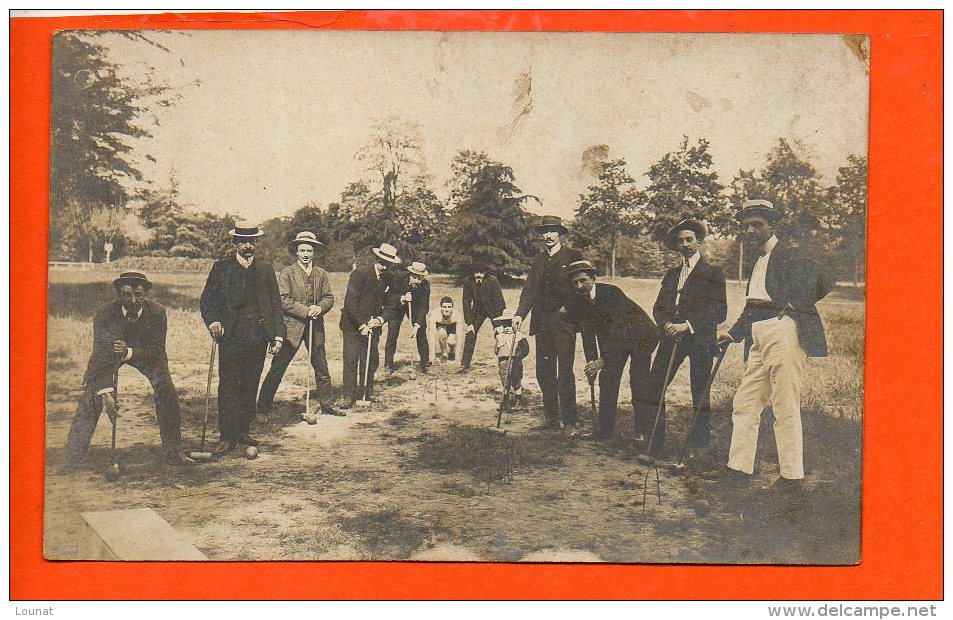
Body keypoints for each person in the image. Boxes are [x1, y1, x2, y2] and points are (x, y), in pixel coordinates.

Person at [711, 199, 834, 494]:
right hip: (757, 335)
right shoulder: (757, 262)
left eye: (757, 224)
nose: (751, 230)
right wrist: (733, 334)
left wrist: (794, 304)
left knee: (784, 404)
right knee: (745, 403)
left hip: (783, 332)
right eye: (746, 226)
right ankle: (738, 469)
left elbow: (826, 279)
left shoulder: (790, 255)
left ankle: (792, 478)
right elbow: (753, 305)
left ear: (771, 225)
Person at [64, 271, 192, 469]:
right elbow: (101, 356)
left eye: (138, 295)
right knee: (92, 394)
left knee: (167, 390)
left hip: (145, 354)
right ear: (119, 295)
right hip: (109, 355)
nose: (133, 300)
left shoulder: (158, 312)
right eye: (127, 295)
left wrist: (130, 352)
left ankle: (174, 452)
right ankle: (73, 457)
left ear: (146, 294)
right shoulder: (105, 314)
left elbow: (157, 350)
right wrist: (106, 393)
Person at [200, 223, 285, 455]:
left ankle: (243, 431)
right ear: (235, 244)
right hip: (231, 336)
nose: (248, 246)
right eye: (243, 241)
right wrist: (214, 322)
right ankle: (227, 436)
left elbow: (275, 305)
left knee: (250, 383)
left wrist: (277, 336)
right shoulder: (221, 268)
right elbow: (207, 301)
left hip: (258, 336)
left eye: (252, 241)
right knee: (229, 385)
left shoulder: (265, 269)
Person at [647, 218, 728, 453]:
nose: (684, 244)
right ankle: (655, 441)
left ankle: (699, 445)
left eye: (689, 239)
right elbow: (659, 307)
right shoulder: (672, 274)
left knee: (699, 390)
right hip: (671, 338)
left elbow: (719, 311)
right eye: (680, 241)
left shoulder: (713, 273)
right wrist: (667, 325)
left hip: (700, 340)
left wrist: (688, 325)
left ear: (699, 242)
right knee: (655, 384)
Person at [567, 261, 659, 441]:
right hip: (616, 343)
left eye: (583, 280)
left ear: (593, 279)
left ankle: (642, 432)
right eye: (575, 282)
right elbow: (587, 334)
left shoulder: (611, 293)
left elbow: (619, 330)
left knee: (638, 381)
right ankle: (604, 431)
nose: (579, 286)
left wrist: (604, 359)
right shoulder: (579, 300)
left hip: (641, 336)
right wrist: (592, 363)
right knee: (608, 379)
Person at [257, 231, 342, 418]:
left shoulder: (321, 274)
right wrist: (306, 310)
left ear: (314, 252)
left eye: (309, 250)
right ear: (296, 251)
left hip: (315, 327)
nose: (305, 254)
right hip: (291, 328)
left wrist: (319, 308)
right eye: (302, 250)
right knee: (278, 368)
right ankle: (262, 407)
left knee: (322, 367)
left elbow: (329, 298)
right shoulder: (287, 273)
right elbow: (283, 299)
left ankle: (327, 404)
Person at [513, 215, 583, 433]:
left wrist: (568, 308)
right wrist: (519, 315)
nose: (548, 235)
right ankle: (551, 417)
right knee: (544, 370)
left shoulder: (573, 256)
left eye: (552, 231)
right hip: (542, 322)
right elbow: (530, 289)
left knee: (565, 371)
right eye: (545, 232)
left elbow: (581, 287)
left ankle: (570, 421)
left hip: (563, 323)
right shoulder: (539, 260)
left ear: (560, 233)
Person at [338, 242, 403, 407]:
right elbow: (350, 305)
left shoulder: (390, 278)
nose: (384, 266)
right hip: (352, 325)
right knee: (351, 359)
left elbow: (392, 305)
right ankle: (348, 396)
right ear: (376, 259)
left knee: (370, 360)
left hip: (373, 326)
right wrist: (362, 326)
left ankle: (366, 392)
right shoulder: (359, 274)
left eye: (388, 264)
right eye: (382, 262)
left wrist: (380, 320)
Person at [384, 261, 431, 373]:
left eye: (420, 278)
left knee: (421, 333)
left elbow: (424, 306)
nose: (416, 281)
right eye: (414, 277)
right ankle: (388, 364)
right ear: (410, 274)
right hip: (397, 306)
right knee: (392, 333)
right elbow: (389, 296)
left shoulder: (425, 285)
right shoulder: (399, 277)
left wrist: (416, 325)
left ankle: (424, 364)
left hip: (415, 307)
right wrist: (402, 298)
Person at [458, 270, 505, 372]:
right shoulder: (468, 281)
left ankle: (505, 363)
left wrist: (499, 323)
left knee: (501, 335)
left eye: (481, 272)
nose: (478, 274)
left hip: (493, 310)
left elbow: (499, 301)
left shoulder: (493, 280)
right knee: (470, 333)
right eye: (476, 272)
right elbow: (466, 302)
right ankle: (464, 365)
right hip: (478, 311)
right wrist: (469, 322)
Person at [492, 309, 530, 412]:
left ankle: (517, 401)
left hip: (515, 362)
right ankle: (505, 402)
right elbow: (496, 350)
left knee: (516, 381)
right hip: (503, 363)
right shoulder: (500, 337)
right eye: (505, 325)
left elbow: (526, 349)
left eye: (509, 324)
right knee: (505, 383)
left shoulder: (519, 336)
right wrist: (501, 356)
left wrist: (518, 356)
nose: (507, 327)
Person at [426, 296, 464, 363]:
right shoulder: (435, 314)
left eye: (449, 307)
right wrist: (432, 356)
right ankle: (444, 354)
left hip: (452, 324)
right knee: (442, 334)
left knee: (451, 341)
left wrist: (457, 357)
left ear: (452, 308)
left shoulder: (457, 315)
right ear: (441, 308)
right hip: (441, 324)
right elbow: (431, 335)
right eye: (444, 307)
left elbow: (459, 336)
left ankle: (452, 351)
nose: (447, 310)